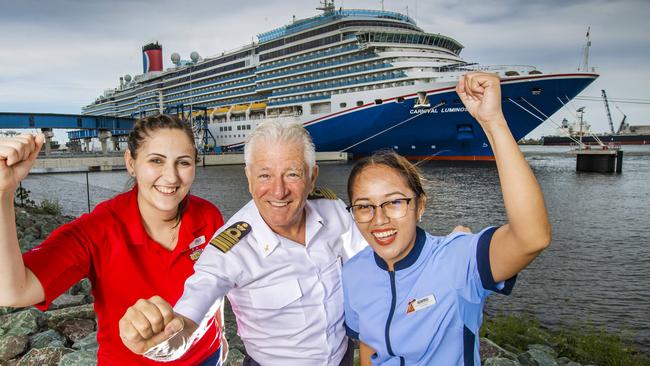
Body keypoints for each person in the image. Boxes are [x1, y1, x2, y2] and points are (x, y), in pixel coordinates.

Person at [342, 72, 552, 365]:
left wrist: (494, 123)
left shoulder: (457, 261)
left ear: (420, 206)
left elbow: (532, 237)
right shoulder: (354, 272)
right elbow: (368, 347)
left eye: (394, 202)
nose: (379, 219)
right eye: (365, 206)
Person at [119, 121, 368, 366]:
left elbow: (370, 263)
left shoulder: (333, 210)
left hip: (342, 357)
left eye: (292, 174)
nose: (278, 191)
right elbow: (189, 319)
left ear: (312, 177)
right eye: (264, 175)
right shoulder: (230, 250)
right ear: (248, 178)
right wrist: (159, 342)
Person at [0, 115, 225, 365]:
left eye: (182, 162)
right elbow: (13, 291)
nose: (171, 177)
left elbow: (216, 282)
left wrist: (221, 334)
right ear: (131, 162)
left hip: (206, 355)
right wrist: (3, 192)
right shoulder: (98, 229)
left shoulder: (209, 216)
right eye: (156, 160)